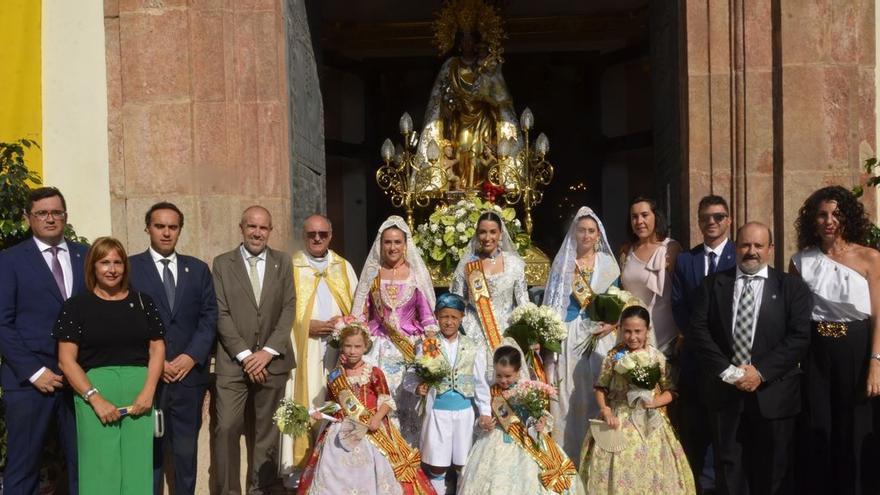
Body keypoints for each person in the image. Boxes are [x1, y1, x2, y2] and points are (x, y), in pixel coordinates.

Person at [689, 222, 812, 494]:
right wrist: (730, 373)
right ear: (735, 247)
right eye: (745, 245)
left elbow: (799, 337)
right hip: (725, 394)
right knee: (728, 467)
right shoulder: (713, 285)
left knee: (773, 472)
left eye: (758, 245)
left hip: (774, 394)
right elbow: (698, 331)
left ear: (770, 249)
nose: (751, 251)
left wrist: (760, 372)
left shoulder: (791, 287)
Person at [53, 237, 166, 494]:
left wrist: (149, 392)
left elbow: (157, 348)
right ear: (93, 266)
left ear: (125, 267)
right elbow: (66, 360)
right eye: (104, 262)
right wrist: (95, 399)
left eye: (117, 262)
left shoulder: (143, 302)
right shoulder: (76, 307)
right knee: (100, 470)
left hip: (140, 396)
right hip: (94, 396)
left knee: (138, 469)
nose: (112, 269)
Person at [790, 186, 880, 494]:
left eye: (837, 214)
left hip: (857, 348)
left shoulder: (870, 258)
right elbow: (795, 317)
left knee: (855, 428)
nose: (829, 221)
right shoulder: (800, 261)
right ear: (813, 220)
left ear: (847, 218)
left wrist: (875, 363)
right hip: (815, 351)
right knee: (818, 427)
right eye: (822, 214)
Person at [0, 186, 87, 494]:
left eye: (56, 212)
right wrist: (36, 372)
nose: (50, 219)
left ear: (65, 216)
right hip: (28, 382)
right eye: (42, 213)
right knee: (23, 467)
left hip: (78, 378)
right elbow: (2, 323)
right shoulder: (9, 260)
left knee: (85, 464)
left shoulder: (85, 256)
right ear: (28, 219)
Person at [128, 202, 218, 495]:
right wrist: (156, 362)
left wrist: (192, 357)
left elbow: (209, 317)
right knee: (148, 452)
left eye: (172, 227)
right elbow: (123, 320)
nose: (166, 233)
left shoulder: (198, 269)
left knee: (185, 453)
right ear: (147, 228)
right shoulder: (129, 268)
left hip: (188, 378)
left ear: (180, 229)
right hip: (147, 378)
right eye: (159, 226)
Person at [211, 206, 296, 494]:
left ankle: (261, 489)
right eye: (252, 227)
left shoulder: (282, 262)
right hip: (233, 363)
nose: (257, 233)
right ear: (241, 228)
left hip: (272, 361)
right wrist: (247, 356)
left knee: (267, 432)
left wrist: (268, 352)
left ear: (270, 231)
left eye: (263, 228)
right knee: (226, 428)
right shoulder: (222, 264)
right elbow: (220, 313)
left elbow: (289, 309)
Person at [297, 324, 435, 495]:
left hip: (371, 429)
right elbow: (334, 403)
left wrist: (377, 418)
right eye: (348, 346)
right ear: (341, 346)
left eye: (357, 346)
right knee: (335, 473)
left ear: (365, 347)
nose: (352, 351)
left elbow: (385, 400)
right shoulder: (335, 376)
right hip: (341, 430)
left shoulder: (374, 372)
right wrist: (320, 412)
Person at [578, 305, 696, 493]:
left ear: (647, 330)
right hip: (619, 419)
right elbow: (601, 387)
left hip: (650, 423)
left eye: (638, 331)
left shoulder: (656, 357)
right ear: (620, 330)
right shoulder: (614, 356)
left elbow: (671, 391)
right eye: (627, 331)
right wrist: (605, 409)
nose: (632, 337)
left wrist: (656, 402)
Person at [281, 214, 358, 482]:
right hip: (305, 351)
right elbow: (280, 312)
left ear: (330, 236)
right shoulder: (291, 266)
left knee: (334, 405)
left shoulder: (343, 267)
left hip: (339, 353)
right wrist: (304, 326)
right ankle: (301, 471)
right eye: (311, 234)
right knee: (308, 402)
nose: (316, 238)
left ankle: (334, 467)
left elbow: (358, 310)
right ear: (304, 236)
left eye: (322, 234)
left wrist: (345, 323)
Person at [352, 215, 438, 446]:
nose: (392, 247)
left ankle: (408, 452)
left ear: (405, 244)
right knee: (379, 399)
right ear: (380, 245)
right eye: (388, 242)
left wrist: (431, 354)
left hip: (408, 350)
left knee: (408, 403)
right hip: (378, 348)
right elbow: (361, 313)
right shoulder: (373, 274)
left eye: (397, 242)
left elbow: (428, 317)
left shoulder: (415, 274)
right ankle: (384, 451)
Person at [542, 206, 620, 462]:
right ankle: (568, 458)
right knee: (568, 395)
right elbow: (552, 304)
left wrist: (613, 324)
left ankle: (597, 459)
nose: (586, 235)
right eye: (582, 230)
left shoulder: (608, 265)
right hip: (569, 334)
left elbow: (618, 300)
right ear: (574, 233)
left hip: (599, 334)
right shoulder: (563, 264)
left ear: (598, 235)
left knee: (596, 392)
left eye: (591, 231)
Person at [457, 343, 585, 494]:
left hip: (526, 438)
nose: (503, 380)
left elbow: (541, 414)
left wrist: (541, 423)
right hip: (495, 439)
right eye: (499, 375)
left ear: (518, 372)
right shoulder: (490, 392)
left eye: (508, 376)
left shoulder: (526, 389)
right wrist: (483, 423)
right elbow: (481, 420)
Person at [671, 194, 735, 491]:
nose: (712, 222)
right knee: (696, 425)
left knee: (729, 429)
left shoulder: (742, 253)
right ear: (698, 221)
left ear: (729, 220)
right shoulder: (686, 260)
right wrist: (700, 340)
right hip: (696, 357)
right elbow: (679, 304)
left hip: (732, 355)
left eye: (718, 216)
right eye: (705, 217)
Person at [407, 292, 491, 494]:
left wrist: (485, 410)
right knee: (437, 462)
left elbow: (480, 382)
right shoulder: (429, 345)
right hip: (438, 412)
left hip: (464, 413)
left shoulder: (472, 346)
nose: (449, 322)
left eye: (454, 317)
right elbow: (411, 374)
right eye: (444, 316)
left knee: (463, 462)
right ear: (437, 316)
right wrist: (417, 387)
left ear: (462, 317)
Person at [451, 211, 528, 375]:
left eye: (493, 232)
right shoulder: (468, 264)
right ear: (477, 234)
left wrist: (529, 335)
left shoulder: (515, 264)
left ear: (500, 233)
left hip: (506, 328)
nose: (487, 237)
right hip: (474, 328)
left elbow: (523, 302)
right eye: (482, 232)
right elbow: (456, 301)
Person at [619, 197, 682, 358]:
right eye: (634, 216)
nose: (639, 221)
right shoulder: (626, 251)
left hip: (665, 336)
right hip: (632, 336)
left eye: (644, 215)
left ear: (656, 217)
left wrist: (683, 334)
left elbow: (681, 293)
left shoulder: (670, 248)